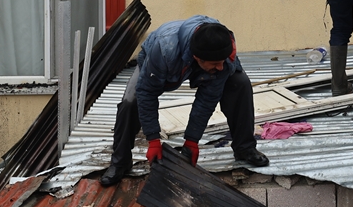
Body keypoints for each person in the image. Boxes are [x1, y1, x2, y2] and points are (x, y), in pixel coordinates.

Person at [100, 16, 268, 186]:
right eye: (216, 64)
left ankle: (244, 148)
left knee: (240, 83)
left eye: (222, 62)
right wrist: (153, 140)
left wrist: (192, 141)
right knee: (131, 102)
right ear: (197, 57)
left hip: (199, 56)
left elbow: (207, 99)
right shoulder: (163, 50)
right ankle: (120, 162)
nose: (220, 67)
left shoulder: (224, 47)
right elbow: (147, 93)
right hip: (160, 60)